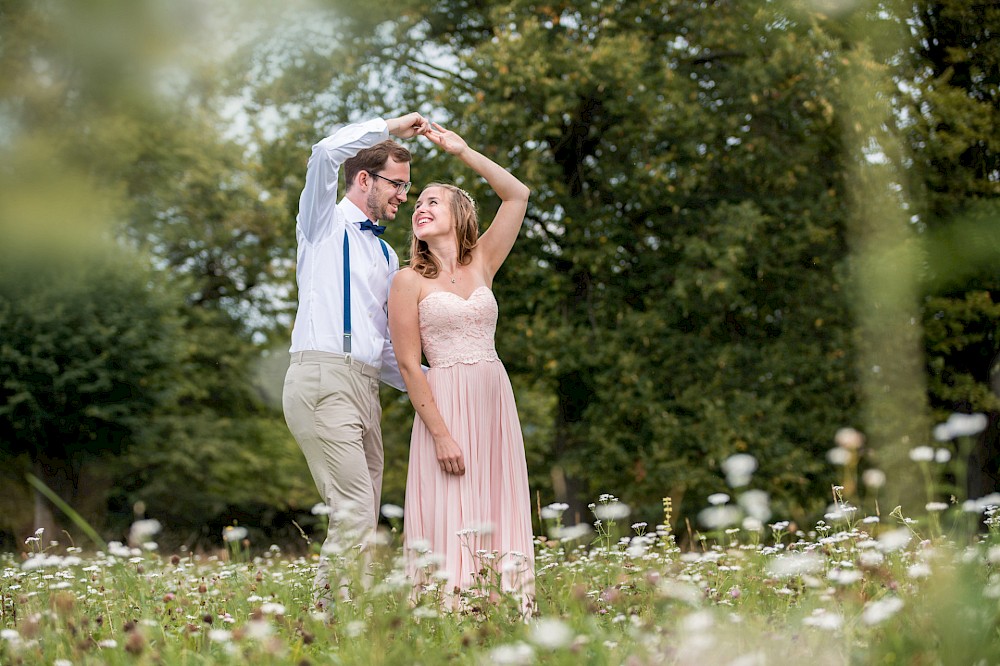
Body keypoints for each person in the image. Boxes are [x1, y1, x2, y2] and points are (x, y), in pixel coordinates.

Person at [282, 113, 429, 607]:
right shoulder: (321, 223)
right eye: (397, 184)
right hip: (322, 376)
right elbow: (325, 153)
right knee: (353, 508)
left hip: (366, 387)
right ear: (364, 178)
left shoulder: (387, 257)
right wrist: (389, 126)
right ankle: (329, 618)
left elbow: (386, 350)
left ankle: (345, 619)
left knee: (363, 516)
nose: (404, 196)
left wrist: (441, 383)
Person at [388, 122, 535, 613]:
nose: (420, 208)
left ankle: (506, 605)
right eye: (416, 204)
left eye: (432, 200)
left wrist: (463, 150)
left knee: (498, 499)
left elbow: (517, 196)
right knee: (450, 508)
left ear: (458, 213)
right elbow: (409, 365)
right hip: (445, 402)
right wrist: (441, 434)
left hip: (494, 398)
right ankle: (449, 610)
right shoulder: (407, 281)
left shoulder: (483, 263)